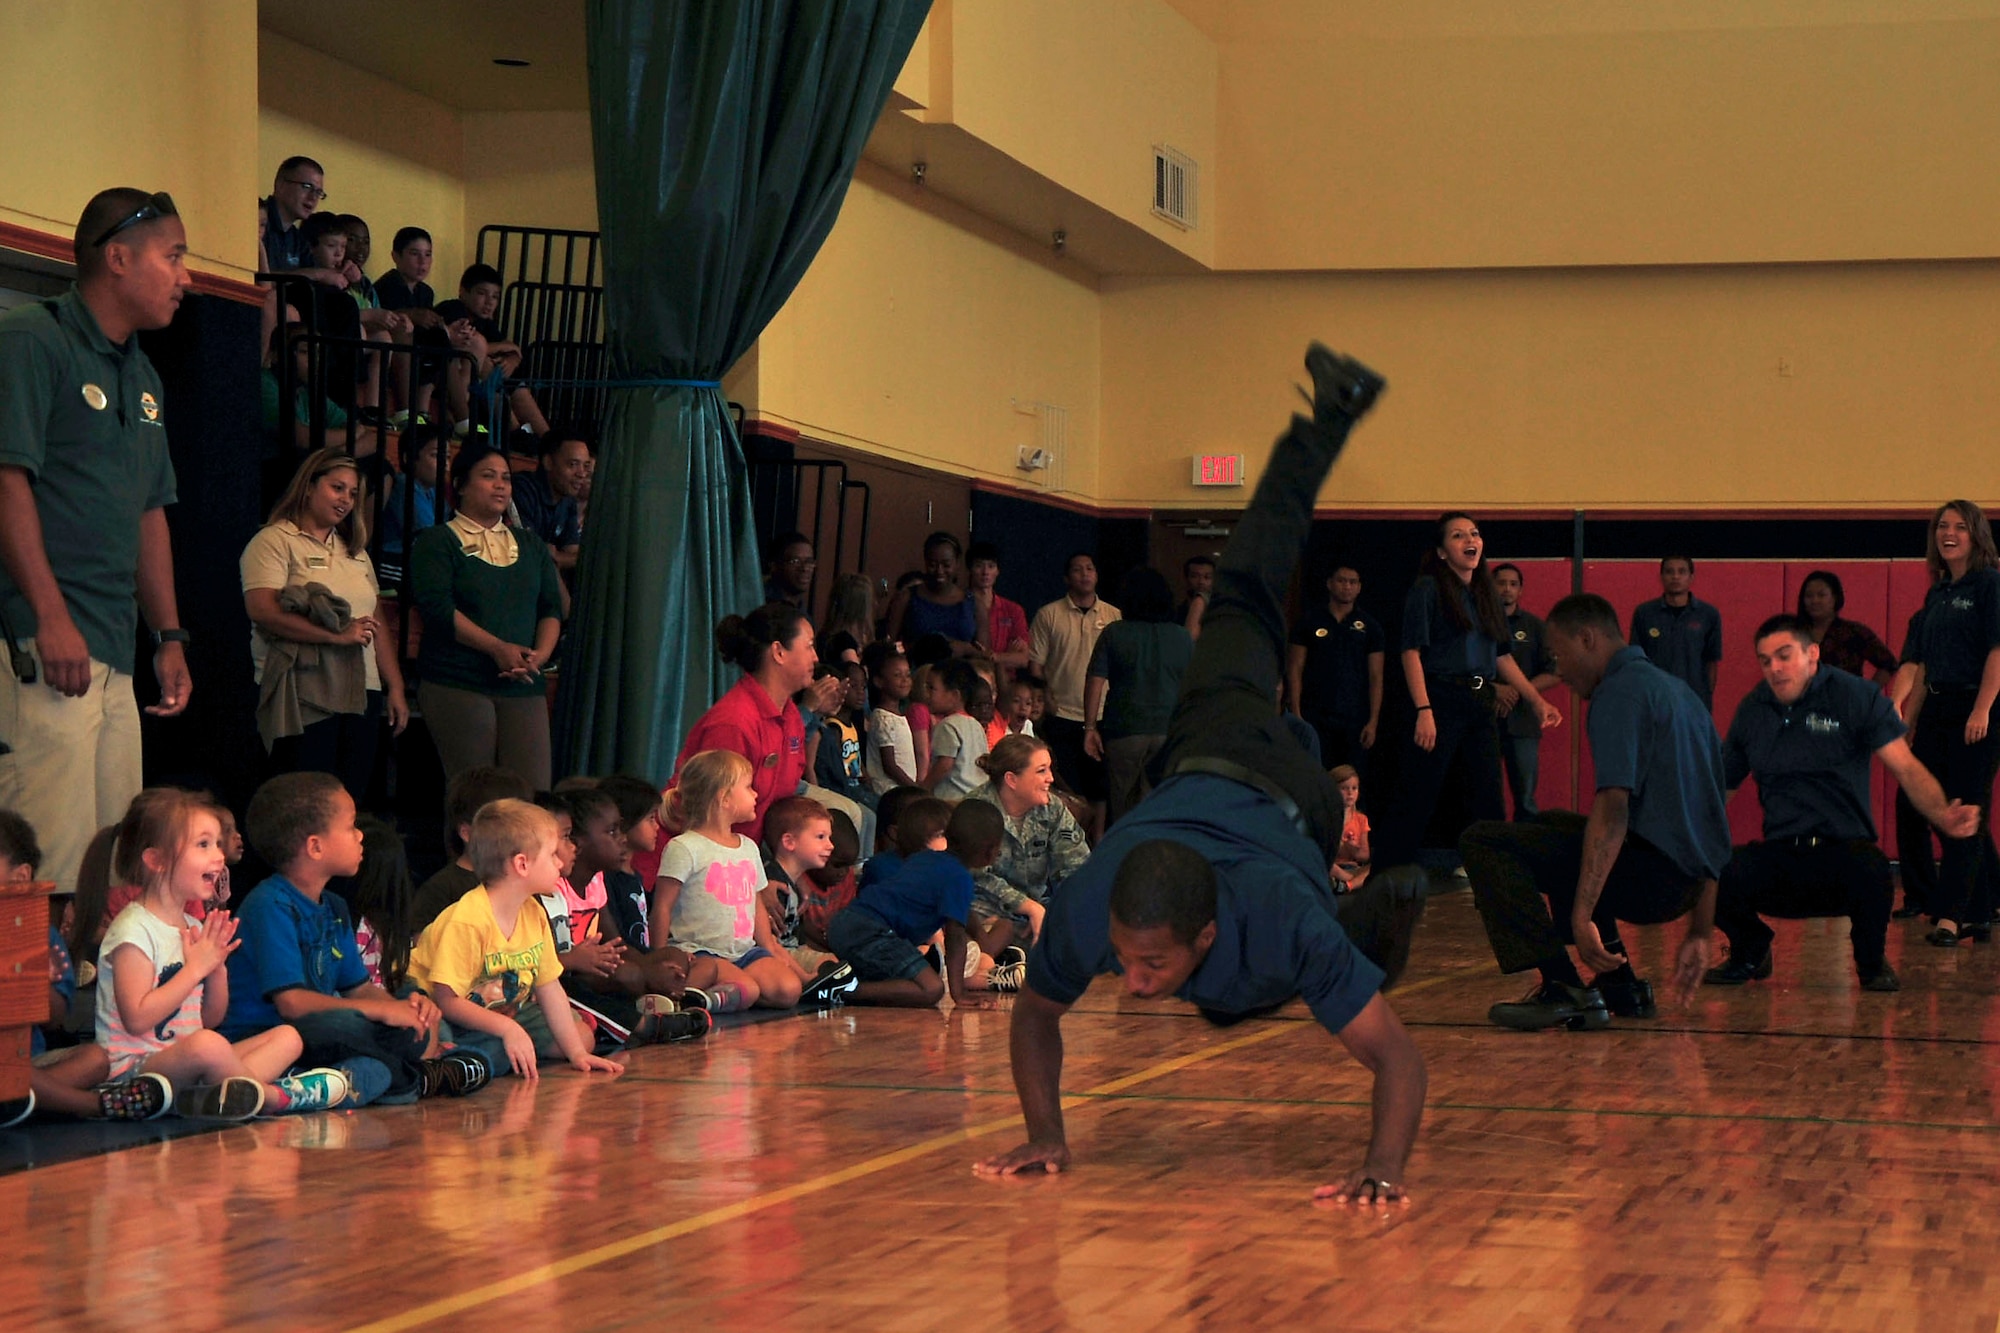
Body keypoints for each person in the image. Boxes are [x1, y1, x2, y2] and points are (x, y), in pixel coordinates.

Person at [977, 344, 1428, 1206]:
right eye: (1126, 957)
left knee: (1283, 973)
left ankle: (1363, 929)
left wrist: (1384, 1167)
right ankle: (1332, 412)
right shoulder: (1087, 909)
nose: (1134, 983)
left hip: (1301, 802)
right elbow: (1034, 1013)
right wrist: (1046, 1132)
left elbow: (1398, 1058)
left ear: (1206, 930)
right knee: (1243, 586)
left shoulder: (1278, 918)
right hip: (1210, 739)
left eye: (1148, 964)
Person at [0, 188, 194, 897]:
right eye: (173, 256)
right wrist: (50, 617)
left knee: (116, 860)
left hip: (114, 649)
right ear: (118, 257)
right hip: (39, 644)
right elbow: (7, 482)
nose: (185, 275)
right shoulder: (31, 338)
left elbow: (150, 513)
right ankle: (35, 1009)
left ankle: (102, 1006)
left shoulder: (143, 374)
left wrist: (168, 633)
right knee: (47, 856)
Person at [1460, 593, 1730, 1032]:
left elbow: (1612, 808)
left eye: (1558, 655)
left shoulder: (1619, 692)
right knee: (1549, 824)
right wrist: (1701, 929)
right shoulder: (1679, 693)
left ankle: (1564, 987)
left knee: (1482, 841)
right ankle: (1621, 986)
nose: (1558, 669)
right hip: (1685, 884)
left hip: (1651, 879)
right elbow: (1714, 821)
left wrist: (1580, 916)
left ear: (1586, 639)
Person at [1702, 616, 1978, 993]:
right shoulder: (1753, 710)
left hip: (1843, 856)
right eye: (1765, 660)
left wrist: (1944, 813)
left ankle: (1870, 963)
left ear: (1812, 654)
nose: (1775, 668)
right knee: (1708, 870)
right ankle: (1750, 947)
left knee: (1875, 871)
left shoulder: (1854, 697)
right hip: (1782, 857)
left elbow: (1908, 769)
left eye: (1784, 655)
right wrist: (1678, 832)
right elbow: (1720, 787)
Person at [222, 773, 489, 1102]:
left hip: (323, 1032)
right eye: (350, 827)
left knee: (401, 1035)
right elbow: (292, 1003)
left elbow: (359, 987)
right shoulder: (269, 905)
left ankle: (364, 1080)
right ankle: (413, 1078)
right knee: (343, 1025)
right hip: (271, 1035)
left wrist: (403, 1009)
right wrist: (378, 1012)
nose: (360, 835)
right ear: (315, 847)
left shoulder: (334, 906)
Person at [97, 787, 352, 1118]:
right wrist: (194, 970)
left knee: (288, 1036)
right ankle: (274, 1098)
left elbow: (209, 1019)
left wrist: (215, 968)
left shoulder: (191, 923)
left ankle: (215, 1097)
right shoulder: (133, 930)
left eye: (217, 844)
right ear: (156, 860)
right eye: (203, 845)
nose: (218, 855)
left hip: (188, 1062)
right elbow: (137, 1019)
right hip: (135, 1074)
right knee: (208, 1045)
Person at [1371, 514, 1560, 874]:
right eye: (1458, 536)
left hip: (1480, 699)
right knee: (1418, 794)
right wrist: (1423, 709)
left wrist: (1536, 700)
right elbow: (1411, 652)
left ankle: (1497, 880)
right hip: (1440, 697)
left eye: (1474, 533)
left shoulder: (1485, 591)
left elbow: (1501, 655)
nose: (1469, 540)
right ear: (1443, 552)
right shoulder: (1428, 589)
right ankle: (1384, 879)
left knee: (1489, 798)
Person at [408, 799, 627, 1080]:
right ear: (522, 864)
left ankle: (477, 1056)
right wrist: (508, 1029)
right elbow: (447, 1000)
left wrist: (577, 1054)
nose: (560, 863)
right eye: (551, 856)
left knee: (582, 1038)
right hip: (441, 1009)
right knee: (435, 1037)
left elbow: (550, 987)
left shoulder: (534, 912)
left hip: (497, 1011)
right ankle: (464, 1057)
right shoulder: (468, 919)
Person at [242, 446, 408, 798]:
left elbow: (376, 620)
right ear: (307, 487)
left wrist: (394, 686)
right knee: (304, 799)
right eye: (337, 488)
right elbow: (264, 611)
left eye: (353, 493)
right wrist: (334, 636)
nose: (346, 499)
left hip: (362, 690)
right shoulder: (273, 540)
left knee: (349, 798)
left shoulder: (355, 550)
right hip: (304, 688)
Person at [0, 809, 174, 1127]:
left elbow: (53, 1018)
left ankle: (23, 1103)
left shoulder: (36, 935)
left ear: (19, 877)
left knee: (96, 1058)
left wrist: (30, 982)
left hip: (30, 1066)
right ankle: (94, 1104)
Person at [410, 445, 563, 789]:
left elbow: (551, 608)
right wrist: (497, 648)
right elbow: (438, 609)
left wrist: (539, 655)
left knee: (533, 795)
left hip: (523, 681)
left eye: (506, 478)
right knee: (476, 796)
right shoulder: (437, 541)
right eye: (488, 476)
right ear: (461, 485)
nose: (500, 485)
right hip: (457, 679)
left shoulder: (530, 544)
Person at [1900, 501, 2000, 946]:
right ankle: (1983, 905)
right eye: (1943, 526)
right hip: (1937, 708)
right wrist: (1908, 717)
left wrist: (1982, 709)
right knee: (1935, 803)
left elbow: (1998, 651)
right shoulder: (1937, 593)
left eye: (1960, 526)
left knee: (1969, 806)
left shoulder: (1989, 585)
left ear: (1976, 535)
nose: (1950, 533)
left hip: (1976, 706)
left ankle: (1952, 917)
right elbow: (1922, 667)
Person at [654, 750, 799, 1012]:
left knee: (788, 990)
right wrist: (659, 956)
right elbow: (662, 906)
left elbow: (753, 901)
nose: (755, 794)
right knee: (751, 989)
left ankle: (710, 998)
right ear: (724, 798)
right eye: (748, 787)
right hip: (700, 953)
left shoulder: (748, 847)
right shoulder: (685, 847)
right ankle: (692, 999)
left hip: (743, 953)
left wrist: (768, 947)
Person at [826, 799, 1003, 1008]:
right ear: (990, 851)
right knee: (931, 988)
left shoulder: (926, 858)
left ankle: (836, 979)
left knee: (898, 979)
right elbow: (955, 938)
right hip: (872, 932)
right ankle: (840, 990)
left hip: (844, 924)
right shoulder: (959, 878)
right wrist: (959, 994)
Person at [672, 604, 821, 844]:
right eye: (810, 646)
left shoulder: (790, 713)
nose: (816, 657)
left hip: (749, 853)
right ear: (779, 652)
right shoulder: (734, 723)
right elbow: (708, 822)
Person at [1084, 567, 1193, 823]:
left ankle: (1126, 856)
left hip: (1124, 729)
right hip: (1169, 730)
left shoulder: (1115, 633)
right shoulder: (1182, 637)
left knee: (1122, 805)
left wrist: (1090, 727)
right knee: (1161, 804)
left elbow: (1095, 682)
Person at [962, 736, 1080, 956]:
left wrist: (1055, 912)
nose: (1051, 778)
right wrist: (1027, 907)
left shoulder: (1053, 808)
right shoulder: (976, 809)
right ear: (1012, 780)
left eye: (1049, 770)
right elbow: (976, 877)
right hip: (988, 909)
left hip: (1043, 908)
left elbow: (1075, 867)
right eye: (1041, 771)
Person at [1029, 553, 1122, 818]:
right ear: (1066, 578)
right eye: (1078, 569)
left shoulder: (1114, 615)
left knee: (1100, 787)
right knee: (1064, 783)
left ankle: (1099, 842)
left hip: (1102, 714)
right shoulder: (1048, 614)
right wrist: (1045, 701)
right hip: (1060, 713)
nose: (1085, 574)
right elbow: (1036, 664)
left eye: (1090, 568)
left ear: (1097, 575)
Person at [1285, 563, 1384, 777]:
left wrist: (1373, 721)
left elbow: (1376, 676)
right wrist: (1296, 712)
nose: (1346, 586)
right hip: (1316, 714)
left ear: (1359, 587)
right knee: (1314, 775)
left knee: (1353, 779)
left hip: (1355, 717)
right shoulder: (1309, 622)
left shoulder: (1370, 626)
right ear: (1329, 584)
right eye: (1341, 581)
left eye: (1352, 582)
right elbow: (1295, 668)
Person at [759, 795, 860, 1001]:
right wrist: (803, 975)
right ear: (789, 842)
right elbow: (767, 943)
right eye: (821, 837)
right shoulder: (775, 886)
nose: (830, 846)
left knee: (835, 966)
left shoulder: (795, 883)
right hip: (772, 955)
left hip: (791, 951)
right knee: (829, 968)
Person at [1490, 563, 1562, 819]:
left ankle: (1524, 854)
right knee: (1485, 795)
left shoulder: (1534, 626)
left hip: (1523, 723)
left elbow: (1554, 672)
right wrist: (1494, 690)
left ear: (1521, 590)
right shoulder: (1478, 624)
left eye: (1513, 584)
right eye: (1501, 583)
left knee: (1526, 798)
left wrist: (1517, 690)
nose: (1506, 589)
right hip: (1485, 719)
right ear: (1490, 586)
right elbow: (1467, 674)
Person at [1630, 555, 1723, 713]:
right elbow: (1637, 660)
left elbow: (1711, 663)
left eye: (1682, 571)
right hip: (1655, 702)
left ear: (1691, 577)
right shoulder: (1644, 613)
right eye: (1669, 572)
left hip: (1695, 702)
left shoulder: (1708, 615)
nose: (1675, 576)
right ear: (1661, 577)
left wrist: (1704, 698)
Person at [511, 429, 590, 578]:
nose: (582, 474)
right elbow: (530, 555)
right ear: (548, 462)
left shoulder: (568, 499)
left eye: (585, 466)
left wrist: (558, 558)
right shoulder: (523, 489)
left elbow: (576, 554)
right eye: (573, 464)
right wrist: (552, 558)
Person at [376, 422, 445, 591]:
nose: (445, 464)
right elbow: (430, 535)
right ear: (408, 458)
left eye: (448, 457)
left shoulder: (434, 490)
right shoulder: (405, 484)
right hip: (392, 563)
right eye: (436, 456)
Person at [1796, 569, 1897, 681]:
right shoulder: (1794, 633)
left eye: (1821, 595)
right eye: (1809, 596)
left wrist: (1866, 693)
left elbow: (1889, 664)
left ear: (1835, 598)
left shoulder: (1853, 632)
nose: (1814, 600)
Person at [889, 532, 979, 654]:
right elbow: (888, 647)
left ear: (957, 563)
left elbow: (984, 657)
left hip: (960, 670)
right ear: (925, 562)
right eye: (932, 565)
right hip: (917, 669)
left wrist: (966, 649)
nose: (939, 571)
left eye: (946, 565)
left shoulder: (973, 603)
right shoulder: (906, 598)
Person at [924, 660, 990, 799]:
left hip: (953, 800)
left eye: (931, 688)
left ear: (954, 695)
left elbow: (945, 764)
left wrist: (924, 788)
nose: (926, 693)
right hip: (978, 797)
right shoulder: (976, 725)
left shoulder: (948, 725)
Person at [965, 541, 1031, 671]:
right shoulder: (959, 605)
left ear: (998, 570)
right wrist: (1007, 655)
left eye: (991, 566)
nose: (985, 572)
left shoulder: (1013, 610)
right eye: (979, 566)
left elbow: (1023, 659)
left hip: (1007, 682)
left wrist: (994, 657)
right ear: (969, 569)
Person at [1331, 765, 1371, 892]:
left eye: (1354, 788)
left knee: (1375, 868)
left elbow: (1364, 856)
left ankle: (1347, 885)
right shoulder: (1328, 818)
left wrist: (1351, 847)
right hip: (1335, 867)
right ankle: (1351, 881)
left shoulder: (1361, 819)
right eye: (1344, 788)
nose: (1350, 793)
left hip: (1353, 868)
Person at [763, 532, 816, 610]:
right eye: (795, 561)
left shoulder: (801, 608)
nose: (805, 568)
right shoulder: (758, 601)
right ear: (774, 566)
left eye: (809, 562)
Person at [1177, 554, 1216, 640]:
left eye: (1207, 577)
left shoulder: (1217, 611)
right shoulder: (1177, 612)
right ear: (1186, 579)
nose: (1201, 582)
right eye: (1194, 576)